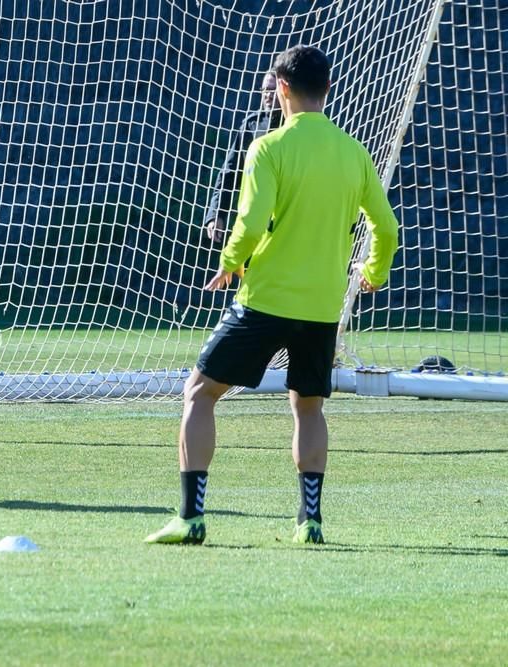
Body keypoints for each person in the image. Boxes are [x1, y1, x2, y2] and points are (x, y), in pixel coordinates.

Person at [146, 45, 399, 545]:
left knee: (199, 393)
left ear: (281, 88)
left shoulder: (268, 147)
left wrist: (229, 262)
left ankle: (191, 517)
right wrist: (375, 271)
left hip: (264, 301)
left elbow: (250, 222)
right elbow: (386, 227)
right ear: (327, 89)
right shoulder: (353, 152)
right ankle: (310, 523)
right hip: (322, 308)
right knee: (308, 408)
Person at [203, 70, 282, 244]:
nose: (267, 95)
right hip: (253, 219)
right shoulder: (251, 125)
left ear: (284, 90)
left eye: (272, 90)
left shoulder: (294, 126)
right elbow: (230, 171)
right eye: (264, 90)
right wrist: (216, 213)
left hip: (286, 218)